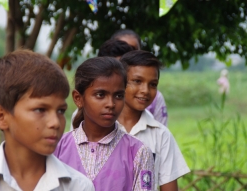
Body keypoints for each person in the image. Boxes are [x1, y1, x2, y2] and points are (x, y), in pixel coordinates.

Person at [0, 49, 95, 191]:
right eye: (40, 110)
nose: (55, 123)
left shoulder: (78, 186)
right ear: (1, 117)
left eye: (61, 111)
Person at [54, 57, 155, 191]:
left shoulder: (138, 152)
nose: (111, 104)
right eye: (100, 95)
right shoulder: (57, 148)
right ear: (78, 99)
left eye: (118, 96)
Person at [119, 50, 190, 191]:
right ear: (120, 82)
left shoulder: (161, 135)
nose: (145, 90)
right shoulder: (102, 128)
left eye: (153, 84)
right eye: (137, 81)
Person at [111, 29, 168, 126]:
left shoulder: (159, 133)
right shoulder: (101, 122)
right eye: (137, 81)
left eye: (133, 50)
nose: (145, 90)